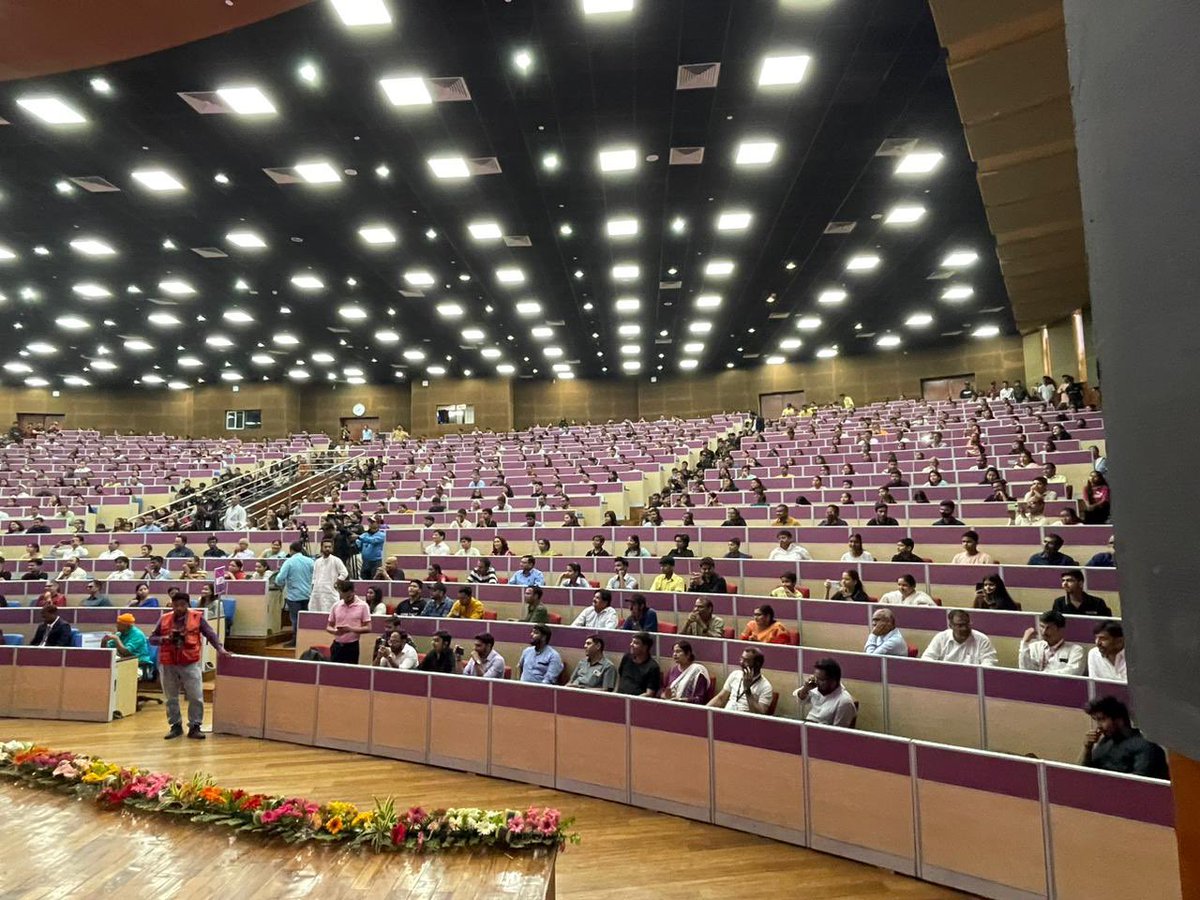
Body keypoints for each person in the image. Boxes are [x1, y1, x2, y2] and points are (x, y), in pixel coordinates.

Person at [151, 592, 231, 739]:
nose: (179, 608)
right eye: (176, 605)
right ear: (172, 605)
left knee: (195, 696)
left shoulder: (197, 617)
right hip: (168, 663)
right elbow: (152, 639)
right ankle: (175, 726)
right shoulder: (164, 618)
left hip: (190, 662)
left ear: (188, 604)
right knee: (171, 698)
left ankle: (195, 726)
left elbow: (210, 634)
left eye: (182, 605)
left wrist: (220, 648)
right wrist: (165, 639)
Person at [1080, 696, 1168, 779]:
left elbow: (1139, 784)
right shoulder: (1106, 741)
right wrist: (1088, 748)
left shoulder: (1146, 747)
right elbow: (1085, 774)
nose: (1099, 726)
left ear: (1119, 720)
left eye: (1102, 719)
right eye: (1096, 720)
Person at [708, 647, 773, 714]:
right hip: (727, 715)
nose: (742, 663)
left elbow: (760, 714)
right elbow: (720, 699)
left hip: (745, 719)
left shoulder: (766, 687)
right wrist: (704, 711)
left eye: (746, 660)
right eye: (742, 659)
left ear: (757, 664)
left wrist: (747, 690)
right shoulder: (735, 675)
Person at [1018, 610, 1086, 675]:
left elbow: (1073, 673)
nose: (1044, 632)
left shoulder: (1075, 650)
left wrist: (1042, 675)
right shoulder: (1034, 646)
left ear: (1060, 629)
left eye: (1048, 628)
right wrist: (1025, 643)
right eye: (1042, 627)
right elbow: (1025, 670)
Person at [922, 610, 999, 666]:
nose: (964, 628)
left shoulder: (982, 640)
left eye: (967, 624)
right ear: (951, 626)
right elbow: (927, 658)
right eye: (960, 625)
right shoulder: (941, 638)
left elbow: (989, 663)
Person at [795, 658, 858, 726]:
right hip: (808, 725)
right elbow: (801, 701)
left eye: (821, 680)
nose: (817, 682)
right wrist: (805, 689)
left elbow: (837, 730)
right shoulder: (816, 687)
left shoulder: (844, 702)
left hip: (821, 730)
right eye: (816, 678)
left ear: (834, 680)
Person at [324, 580, 371, 664]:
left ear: (353, 591)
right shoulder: (336, 605)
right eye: (343, 597)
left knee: (350, 671)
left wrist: (350, 629)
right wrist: (335, 631)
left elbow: (368, 628)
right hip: (337, 645)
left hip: (352, 646)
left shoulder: (363, 606)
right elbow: (328, 626)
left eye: (348, 597)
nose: (346, 599)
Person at [274, 540, 314, 625]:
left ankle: (296, 634)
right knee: (306, 621)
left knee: (295, 620)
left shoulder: (288, 562)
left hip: (294, 597)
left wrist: (280, 584)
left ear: (291, 550)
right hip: (308, 595)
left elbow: (279, 579)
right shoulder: (310, 561)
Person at [616, 631, 662, 696]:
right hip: (620, 697)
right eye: (632, 642)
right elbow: (620, 678)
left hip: (637, 700)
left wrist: (633, 700)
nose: (631, 644)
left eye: (636, 643)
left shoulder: (653, 667)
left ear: (645, 647)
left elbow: (649, 693)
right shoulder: (626, 658)